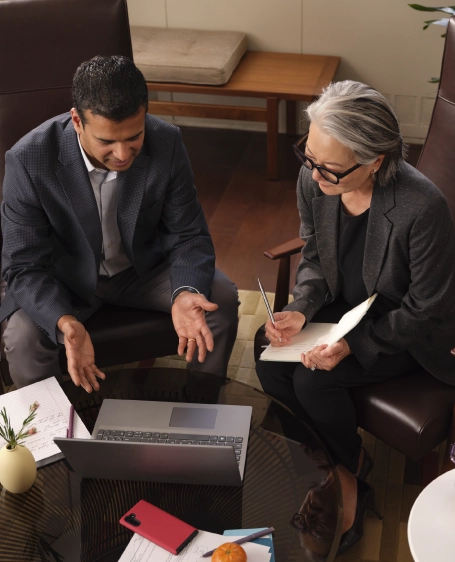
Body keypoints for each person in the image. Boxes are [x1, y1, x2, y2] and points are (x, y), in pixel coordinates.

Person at [256, 80, 455, 551]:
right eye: (308, 157)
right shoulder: (314, 177)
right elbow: (314, 257)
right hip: (345, 306)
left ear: (376, 161)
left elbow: (427, 307)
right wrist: (300, 309)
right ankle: (340, 468)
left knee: (313, 382)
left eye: (329, 169)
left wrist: (355, 345)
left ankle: (343, 483)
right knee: (270, 361)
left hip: (404, 328)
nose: (315, 176)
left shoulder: (422, 207)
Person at [0, 55, 239, 392]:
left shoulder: (166, 141)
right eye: (107, 142)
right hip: (64, 280)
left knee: (220, 298)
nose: (123, 154)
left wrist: (186, 291)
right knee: (22, 339)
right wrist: (64, 321)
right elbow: (24, 265)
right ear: (77, 121)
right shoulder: (28, 159)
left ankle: (201, 407)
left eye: (133, 137)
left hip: (140, 272)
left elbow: (188, 234)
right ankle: (54, 426)